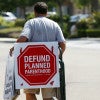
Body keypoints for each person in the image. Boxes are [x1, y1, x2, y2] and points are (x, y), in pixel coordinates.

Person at [10, 2, 66, 100]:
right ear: (46, 12)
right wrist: (53, 58)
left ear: (35, 12)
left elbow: (24, 37)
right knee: (48, 97)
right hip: (49, 67)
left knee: (30, 93)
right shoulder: (54, 25)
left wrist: (14, 48)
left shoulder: (31, 23)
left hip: (31, 67)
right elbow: (62, 44)